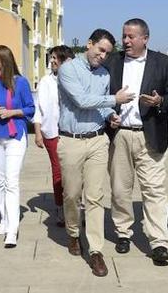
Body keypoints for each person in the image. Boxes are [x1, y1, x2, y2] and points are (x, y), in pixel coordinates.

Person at [57, 29, 134, 277]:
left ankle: (96, 251)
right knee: (71, 195)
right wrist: (114, 100)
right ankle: (72, 232)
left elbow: (98, 107)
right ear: (88, 44)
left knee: (95, 197)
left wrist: (110, 116)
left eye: (107, 53)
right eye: (100, 50)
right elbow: (81, 100)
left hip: (98, 141)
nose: (102, 56)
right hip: (71, 141)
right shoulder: (68, 69)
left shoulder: (104, 74)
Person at [104, 18, 168, 265]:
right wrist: (109, 116)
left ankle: (158, 242)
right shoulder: (112, 62)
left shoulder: (163, 62)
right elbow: (102, 96)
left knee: (154, 190)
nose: (125, 41)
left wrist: (160, 102)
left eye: (131, 37)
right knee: (120, 190)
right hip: (120, 134)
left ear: (145, 38)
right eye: (124, 36)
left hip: (151, 134)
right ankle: (123, 233)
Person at [0, 45, 35, 248]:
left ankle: (12, 230)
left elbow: (30, 109)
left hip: (15, 136)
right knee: (0, 182)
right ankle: (4, 219)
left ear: (4, 60)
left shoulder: (20, 82)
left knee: (11, 182)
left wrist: (12, 113)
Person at [33, 45, 75, 227]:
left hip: (73, 133)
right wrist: (37, 133)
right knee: (58, 171)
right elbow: (38, 109)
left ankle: (75, 206)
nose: (51, 61)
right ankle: (61, 207)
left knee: (74, 172)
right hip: (52, 133)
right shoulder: (45, 81)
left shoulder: (75, 80)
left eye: (55, 58)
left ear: (66, 60)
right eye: (50, 58)